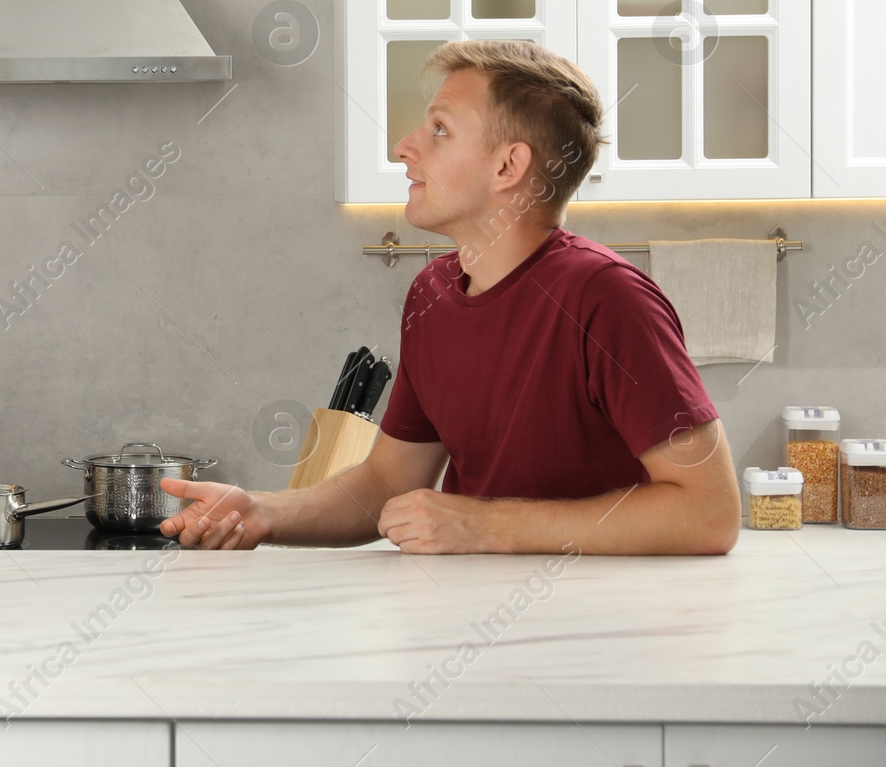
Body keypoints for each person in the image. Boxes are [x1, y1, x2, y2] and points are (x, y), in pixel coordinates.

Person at [161, 40, 740, 555]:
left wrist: (486, 526)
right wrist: (262, 513)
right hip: (464, 621)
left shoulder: (606, 297)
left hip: (593, 637)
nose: (403, 147)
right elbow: (390, 482)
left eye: (440, 129)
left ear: (509, 165)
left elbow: (709, 513)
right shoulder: (432, 293)